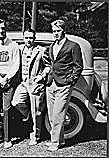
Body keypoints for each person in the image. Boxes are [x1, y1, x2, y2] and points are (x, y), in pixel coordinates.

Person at [45, 19, 83, 151]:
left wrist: (70, 81)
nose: (55, 33)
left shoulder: (73, 46)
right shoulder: (51, 46)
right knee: (51, 114)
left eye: (58, 31)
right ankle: (59, 140)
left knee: (58, 114)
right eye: (53, 31)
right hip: (51, 83)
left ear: (63, 30)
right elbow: (52, 63)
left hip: (64, 84)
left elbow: (78, 66)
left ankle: (54, 142)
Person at [11, 28, 50, 146]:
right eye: (26, 38)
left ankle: (35, 135)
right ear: (23, 38)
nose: (28, 40)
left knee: (36, 112)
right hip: (23, 82)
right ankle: (25, 113)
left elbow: (48, 66)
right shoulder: (19, 49)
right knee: (16, 102)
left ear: (34, 38)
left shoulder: (41, 50)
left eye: (31, 38)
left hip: (35, 83)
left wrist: (41, 76)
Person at [0, 18, 21, 148]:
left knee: (7, 109)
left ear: (6, 29)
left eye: (3, 28)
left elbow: (15, 64)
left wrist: (7, 78)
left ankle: (7, 138)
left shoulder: (13, 45)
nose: (1, 31)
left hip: (9, 81)